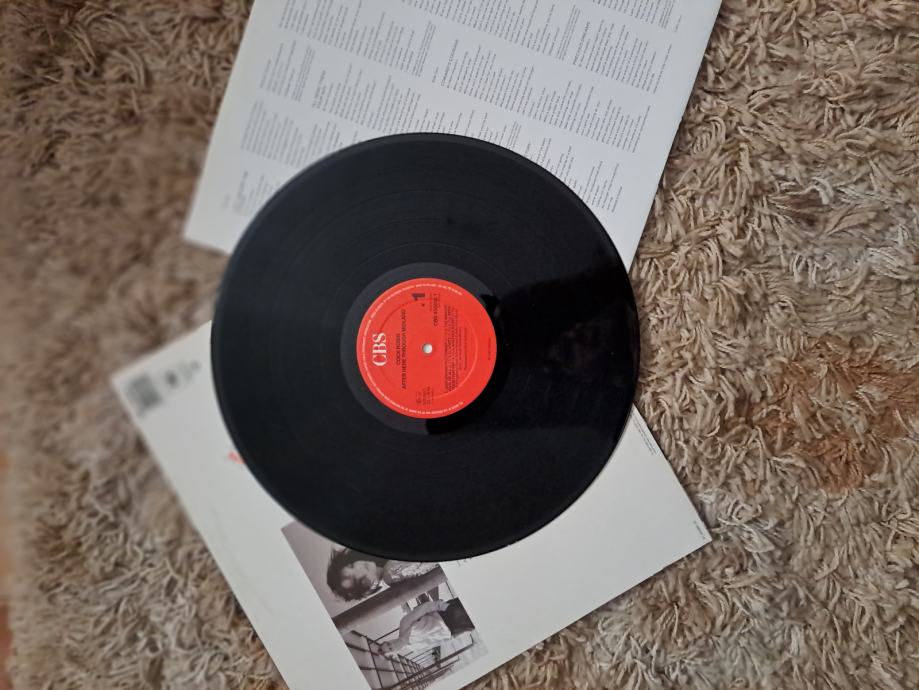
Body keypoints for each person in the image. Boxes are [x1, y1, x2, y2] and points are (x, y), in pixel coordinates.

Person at [326, 548, 439, 601]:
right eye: (355, 579)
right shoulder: (391, 573)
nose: (359, 568)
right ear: (365, 589)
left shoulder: (386, 570)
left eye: (351, 566)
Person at [379, 598, 474, 657]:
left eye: (388, 643)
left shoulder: (404, 623)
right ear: (394, 654)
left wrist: (444, 606)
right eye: (391, 649)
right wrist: (454, 636)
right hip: (455, 630)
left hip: (449, 614)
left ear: (389, 640)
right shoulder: (414, 648)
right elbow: (436, 642)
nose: (392, 645)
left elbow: (424, 608)